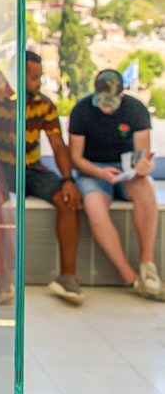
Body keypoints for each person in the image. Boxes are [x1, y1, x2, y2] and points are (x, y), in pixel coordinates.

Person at [0, 51, 83, 304]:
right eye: (33, 77)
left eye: (38, 77)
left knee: (67, 201)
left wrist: (67, 180)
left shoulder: (44, 105)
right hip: (0, 168)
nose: (37, 83)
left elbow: (57, 144)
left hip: (31, 168)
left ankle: (68, 276)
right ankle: (1, 281)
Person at [69, 68, 161, 300]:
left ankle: (147, 264)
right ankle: (130, 277)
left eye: (111, 103)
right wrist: (99, 171)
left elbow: (143, 152)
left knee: (147, 189)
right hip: (93, 170)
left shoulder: (135, 110)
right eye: (103, 102)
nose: (106, 108)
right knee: (94, 207)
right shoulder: (81, 110)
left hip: (127, 172)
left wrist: (142, 166)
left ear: (121, 96)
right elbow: (76, 157)